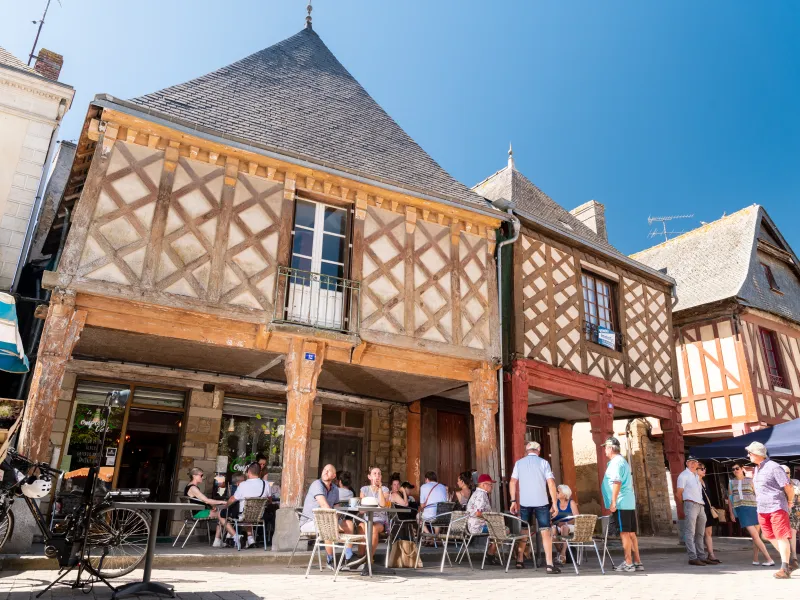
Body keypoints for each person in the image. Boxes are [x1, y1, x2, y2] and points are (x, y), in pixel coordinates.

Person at [747, 441, 795, 579]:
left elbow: (788, 487)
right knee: (768, 536)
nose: (748, 455)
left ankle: (785, 568)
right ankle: (790, 561)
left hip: (776, 506)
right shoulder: (757, 468)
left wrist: (790, 501)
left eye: (749, 453)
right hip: (762, 508)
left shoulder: (774, 467)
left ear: (757, 454)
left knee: (781, 536)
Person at [509, 440, 559, 572]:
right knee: (545, 531)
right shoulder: (544, 463)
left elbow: (512, 482)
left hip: (525, 502)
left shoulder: (519, 463)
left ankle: (520, 560)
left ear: (527, 451)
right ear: (539, 450)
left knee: (524, 530)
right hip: (541, 502)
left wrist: (513, 500)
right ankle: (549, 564)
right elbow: (551, 483)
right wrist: (554, 503)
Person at [299, 464, 356, 570]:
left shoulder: (335, 489)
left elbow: (337, 507)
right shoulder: (317, 484)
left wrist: (338, 519)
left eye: (329, 471)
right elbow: (324, 505)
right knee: (328, 526)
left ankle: (349, 557)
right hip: (309, 522)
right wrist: (334, 522)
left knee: (348, 523)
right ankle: (331, 560)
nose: (325, 472)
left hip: (326, 521)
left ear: (334, 476)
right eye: (324, 469)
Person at [601, 436, 643, 573]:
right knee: (631, 533)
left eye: (605, 448)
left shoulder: (616, 463)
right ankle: (637, 562)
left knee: (624, 533)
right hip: (628, 502)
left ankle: (628, 562)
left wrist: (613, 501)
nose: (605, 451)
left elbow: (616, 482)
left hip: (621, 502)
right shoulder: (622, 461)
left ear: (610, 448)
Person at [728, 462, 773, 566]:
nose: (735, 471)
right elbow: (730, 499)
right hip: (741, 509)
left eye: (737, 468)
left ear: (742, 468)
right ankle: (769, 558)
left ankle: (755, 559)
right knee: (754, 535)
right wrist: (731, 512)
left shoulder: (751, 480)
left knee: (756, 537)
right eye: (733, 469)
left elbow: (758, 495)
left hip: (754, 508)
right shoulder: (731, 482)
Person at [184, 467, 238, 548]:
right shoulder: (193, 488)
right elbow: (206, 500)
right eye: (201, 475)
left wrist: (212, 506)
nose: (202, 477)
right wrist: (222, 502)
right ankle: (232, 536)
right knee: (222, 514)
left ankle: (222, 538)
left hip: (197, 511)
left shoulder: (190, 486)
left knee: (221, 513)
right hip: (198, 513)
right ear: (194, 476)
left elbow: (201, 501)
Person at [224, 462, 270, 549]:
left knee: (221, 514)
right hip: (259, 515)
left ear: (248, 472)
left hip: (244, 514)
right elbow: (269, 499)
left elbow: (232, 499)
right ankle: (250, 539)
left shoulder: (243, 485)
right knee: (248, 514)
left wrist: (225, 506)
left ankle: (236, 537)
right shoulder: (266, 484)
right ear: (260, 472)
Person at [677, 456, 709, 566]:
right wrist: (685, 505)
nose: (693, 464)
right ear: (686, 464)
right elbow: (679, 493)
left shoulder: (696, 476)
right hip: (690, 504)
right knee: (690, 532)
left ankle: (701, 556)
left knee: (700, 533)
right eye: (690, 462)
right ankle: (692, 557)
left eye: (695, 462)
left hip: (700, 505)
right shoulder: (683, 475)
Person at [466, 474, 501, 565]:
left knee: (498, 529)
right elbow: (478, 513)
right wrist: (492, 518)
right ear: (483, 485)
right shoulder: (482, 495)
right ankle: (490, 554)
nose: (491, 487)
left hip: (472, 524)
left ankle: (491, 551)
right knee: (504, 530)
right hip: (477, 526)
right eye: (490, 484)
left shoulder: (476, 493)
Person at [358, 467, 390, 562]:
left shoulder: (385, 489)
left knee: (374, 528)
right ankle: (361, 557)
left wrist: (379, 488)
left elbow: (383, 505)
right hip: (367, 519)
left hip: (380, 520)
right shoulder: (364, 489)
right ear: (369, 477)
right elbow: (361, 510)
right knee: (361, 527)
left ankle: (369, 559)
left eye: (379, 474)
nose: (377, 476)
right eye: (374, 474)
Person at [697, 463, 721, 564]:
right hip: (700, 509)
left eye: (704, 468)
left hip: (708, 509)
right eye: (701, 469)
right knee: (699, 533)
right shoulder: (695, 482)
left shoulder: (704, 482)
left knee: (708, 532)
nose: (704, 470)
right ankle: (700, 554)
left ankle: (711, 554)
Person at [551, 484, 578, 565]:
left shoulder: (571, 503)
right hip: (557, 525)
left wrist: (565, 523)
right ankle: (561, 552)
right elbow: (550, 516)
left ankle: (562, 553)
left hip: (570, 526)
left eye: (558, 491)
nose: (556, 493)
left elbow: (577, 518)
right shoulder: (555, 503)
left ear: (565, 494)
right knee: (552, 530)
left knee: (564, 528)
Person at [781, 464, 800, 571]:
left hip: (797, 510)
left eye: (787, 472)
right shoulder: (778, 485)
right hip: (786, 510)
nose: (785, 475)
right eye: (783, 473)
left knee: (793, 532)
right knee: (790, 533)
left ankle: (793, 556)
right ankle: (792, 557)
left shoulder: (796, 481)